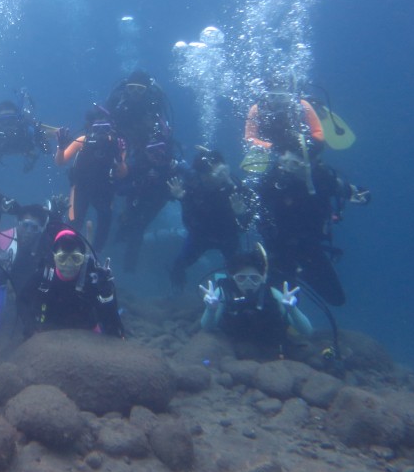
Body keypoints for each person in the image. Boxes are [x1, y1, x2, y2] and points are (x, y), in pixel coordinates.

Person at [254, 151, 369, 306]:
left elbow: (356, 192)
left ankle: (301, 274)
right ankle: (291, 276)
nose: (295, 168)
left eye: (300, 163)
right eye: (289, 163)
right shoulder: (273, 182)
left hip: (310, 247)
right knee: (280, 304)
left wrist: (360, 196)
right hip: (278, 248)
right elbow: (255, 204)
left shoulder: (323, 180)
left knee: (336, 299)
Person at [105, 70, 177, 274]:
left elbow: (164, 134)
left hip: (147, 151)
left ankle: (126, 250)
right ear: (125, 88)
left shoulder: (154, 105)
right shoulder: (119, 102)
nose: (135, 93)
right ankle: (123, 236)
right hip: (130, 151)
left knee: (137, 218)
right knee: (130, 208)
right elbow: (107, 122)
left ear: (147, 90)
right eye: (131, 89)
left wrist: (157, 151)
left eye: (140, 89)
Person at [199, 246, 312, 359]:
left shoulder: (274, 294)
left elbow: (307, 331)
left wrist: (292, 309)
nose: (248, 283)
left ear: (263, 278)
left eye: (255, 278)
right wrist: (211, 309)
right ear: (233, 278)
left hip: (270, 345)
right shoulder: (224, 292)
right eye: (241, 278)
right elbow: (207, 327)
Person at [167, 148, 255, 291]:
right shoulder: (193, 184)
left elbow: (244, 227)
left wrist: (241, 213)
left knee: (240, 270)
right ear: (201, 175)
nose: (216, 177)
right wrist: (181, 198)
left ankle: (236, 297)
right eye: (208, 174)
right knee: (179, 265)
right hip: (200, 236)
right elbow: (190, 220)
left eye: (220, 172)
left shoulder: (236, 188)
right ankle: (176, 292)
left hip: (228, 237)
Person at [18, 229, 124, 338]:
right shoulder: (43, 276)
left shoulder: (92, 282)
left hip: (88, 337)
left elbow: (112, 327)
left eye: (75, 258)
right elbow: (22, 300)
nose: (69, 264)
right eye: (62, 258)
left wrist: (107, 296)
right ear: (54, 258)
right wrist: (29, 326)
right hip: (46, 333)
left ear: (83, 259)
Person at [55, 105, 128, 252]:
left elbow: (122, 174)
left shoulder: (117, 145)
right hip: (81, 188)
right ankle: (64, 252)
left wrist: (120, 158)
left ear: (111, 129)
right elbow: (60, 162)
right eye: (97, 128)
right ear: (91, 128)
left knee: (104, 223)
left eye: (105, 128)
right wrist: (61, 147)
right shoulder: (83, 140)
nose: (101, 133)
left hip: (105, 190)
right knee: (73, 224)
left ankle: (95, 256)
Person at [244, 81, 325, 158]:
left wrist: (304, 145)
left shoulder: (302, 106)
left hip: (299, 148)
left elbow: (318, 134)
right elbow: (250, 138)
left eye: (282, 97)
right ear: (266, 97)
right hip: (273, 150)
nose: (277, 101)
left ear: (290, 96)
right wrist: (272, 147)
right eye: (272, 97)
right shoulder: (257, 109)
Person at [0, 95, 50, 173]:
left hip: (24, 150)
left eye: (11, 119)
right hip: (7, 151)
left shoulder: (25, 127)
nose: (8, 124)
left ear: (17, 119)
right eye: (4, 120)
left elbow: (48, 151)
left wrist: (39, 138)